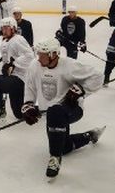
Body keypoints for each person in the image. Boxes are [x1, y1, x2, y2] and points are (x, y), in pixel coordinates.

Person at [23, 38, 105, 178]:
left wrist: (81, 89)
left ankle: (55, 159)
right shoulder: (34, 66)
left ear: (53, 54)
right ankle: (89, 136)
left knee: (55, 114)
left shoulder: (69, 65)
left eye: (43, 54)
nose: (39, 57)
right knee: (64, 146)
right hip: (51, 113)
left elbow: (98, 76)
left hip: (72, 109)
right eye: (39, 53)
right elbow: (30, 86)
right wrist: (28, 104)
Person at [0, 17, 35, 122]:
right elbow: (9, 59)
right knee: (19, 115)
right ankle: (32, 109)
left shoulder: (18, 39)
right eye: (3, 28)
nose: (4, 30)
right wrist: (6, 66)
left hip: (21, 79)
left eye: (7, 28)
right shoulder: (5, 40)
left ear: (13, 28)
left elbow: (30, 56)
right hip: (13, 78)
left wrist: (13, 63)